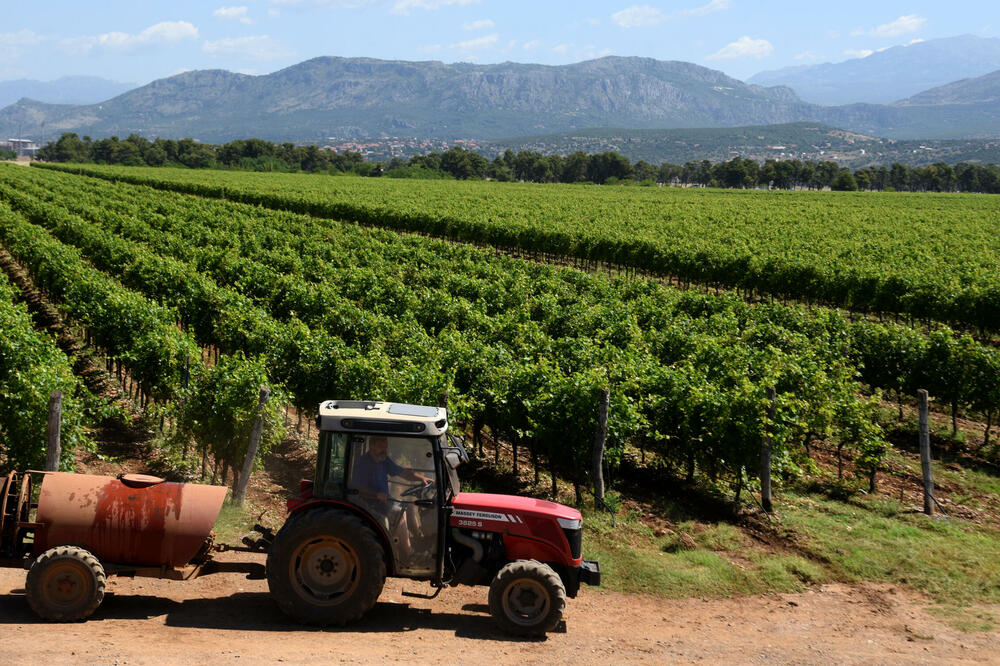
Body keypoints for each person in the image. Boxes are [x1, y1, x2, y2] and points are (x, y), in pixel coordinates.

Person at [353, 435, 431, 502]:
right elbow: (359, 488)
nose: (384, 450)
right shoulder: (362, 463)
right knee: (400, 516)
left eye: (385, 447)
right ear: (371, 446)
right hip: (368, 504)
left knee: (405, 510)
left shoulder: (384, 460)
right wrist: (377, 495)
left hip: (384, 501)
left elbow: (403, 473)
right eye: (380, 447)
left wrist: (422, 478)